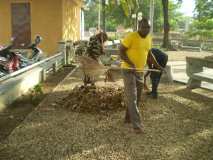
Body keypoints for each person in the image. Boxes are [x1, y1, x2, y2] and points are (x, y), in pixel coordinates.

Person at [120, 18, 152, 134]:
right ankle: (137, 126)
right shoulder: (131, 37)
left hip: (140, 71)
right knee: (132, 97)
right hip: (128, 70)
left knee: (137, 98)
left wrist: (157, 65)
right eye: (144, 27)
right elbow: (121, 51)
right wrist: (131, 63)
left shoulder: (148, 38)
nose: (146, 29)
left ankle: (128, 118)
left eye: (148, 27)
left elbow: (148, 53)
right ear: (139, 26)